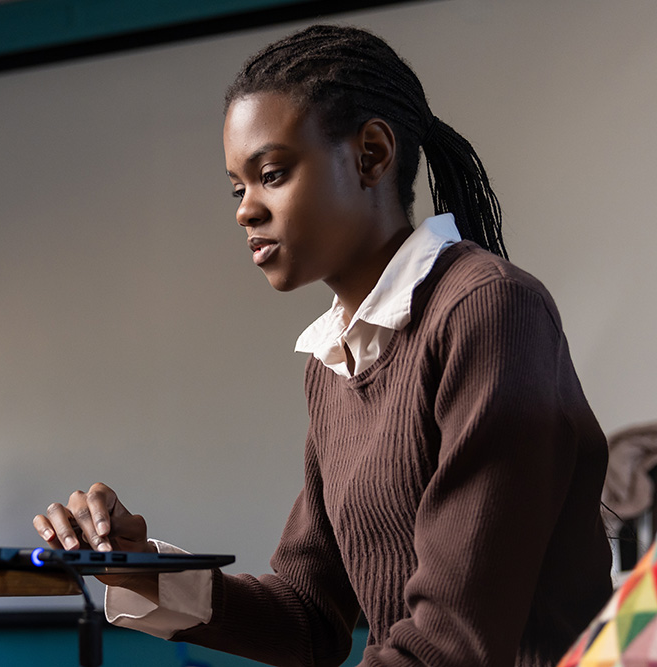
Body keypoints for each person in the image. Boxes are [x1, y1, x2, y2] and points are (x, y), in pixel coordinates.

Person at [33, 24, 613, 667]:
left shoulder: (488, 309)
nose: (244, 210)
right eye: (237, 187)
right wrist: (140, 570)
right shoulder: (336, 362)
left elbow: (453, 645)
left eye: (272, 174)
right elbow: (310, 618)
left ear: (370, 154)